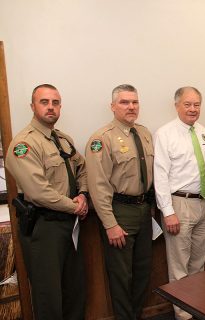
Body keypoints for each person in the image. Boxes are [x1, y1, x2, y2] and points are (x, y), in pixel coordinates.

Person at [5, 84, 88, 319]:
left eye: (55, 102)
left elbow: (82, 168)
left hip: (70, 225)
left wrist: (83, 194)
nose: (50, 107)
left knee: (75, 291)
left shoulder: (63, 139)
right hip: (44, 228)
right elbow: (38, 191)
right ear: (33, 106)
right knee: (48, 297)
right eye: (44, 102)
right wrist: (76, 206)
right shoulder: (24, 144)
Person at [85, 84, 154, 319]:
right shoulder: (101, 139)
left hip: (144, 210)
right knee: (122, 276)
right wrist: (110, 224)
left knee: (142, 272)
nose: (131, 107)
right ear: (112, 106)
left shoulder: (144, 133)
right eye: (124, 102)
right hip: (119, 212)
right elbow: (98, 185)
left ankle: (135, 315)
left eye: (134, 102)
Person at [153, 86, 205, 320]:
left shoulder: (202, 131)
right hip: (179, 205)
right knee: (179, 267)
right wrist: (167, 212)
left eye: (197, 104)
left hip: (202, 202)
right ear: (176, 105)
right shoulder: (165, 134)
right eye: (187, 104)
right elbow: (160, 175)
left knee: (198, 264)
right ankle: (183, 315)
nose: (193, 109)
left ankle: (197, 309)